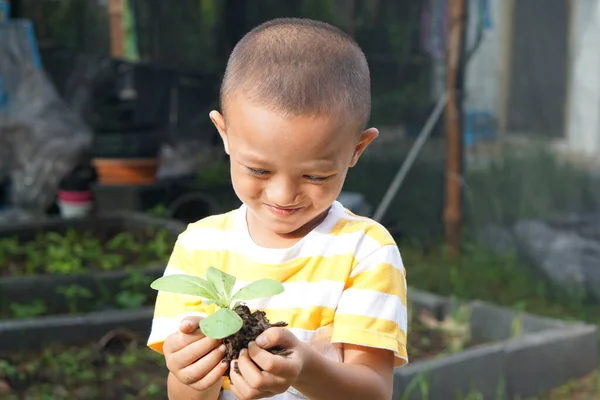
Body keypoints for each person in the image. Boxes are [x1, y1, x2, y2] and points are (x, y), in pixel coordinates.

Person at [147, 17, 408, 400]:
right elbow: (182, 395)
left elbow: (373, 392)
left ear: (357, 150)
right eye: (258, 170)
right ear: (224, 135)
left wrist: (304, 368)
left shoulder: (365, 251)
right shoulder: (199, 246)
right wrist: (190, 376)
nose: (284, 195)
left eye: (316, 176)